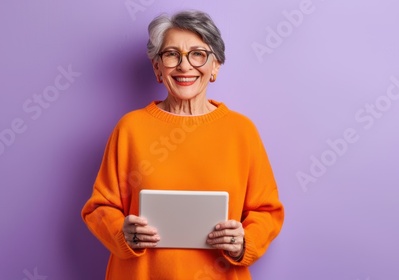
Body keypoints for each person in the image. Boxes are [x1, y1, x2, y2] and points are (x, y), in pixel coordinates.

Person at [81, 10, 284, 280]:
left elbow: (267, 211)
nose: (184, 66)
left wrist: (245, 240)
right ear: (157, 68)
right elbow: (99, 208)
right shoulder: (130, 128)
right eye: (171, 54)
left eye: (198, 54)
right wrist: (122, 231)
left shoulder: (241, 131)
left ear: (215, 66)